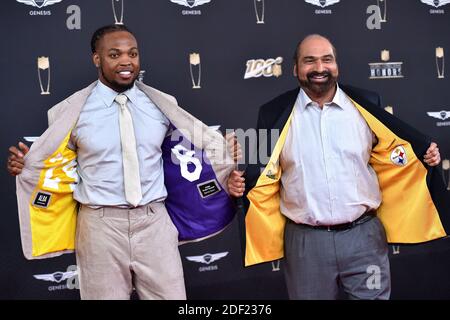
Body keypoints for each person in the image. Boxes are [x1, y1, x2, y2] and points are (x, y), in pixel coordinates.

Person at [7, 24, 237, 300]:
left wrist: (222, 160)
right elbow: (53, 162)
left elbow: (183, 155)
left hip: (154, 222)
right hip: (100, 227)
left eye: (133, 54)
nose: (126, 61)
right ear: (97, 59)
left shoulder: (162, 104)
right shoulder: (68, 113)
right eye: (114, 55)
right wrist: (26, 166)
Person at [228, 34, 449, 300]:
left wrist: (424, 155)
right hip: (306, 245)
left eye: (327, 60)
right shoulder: (272, 113)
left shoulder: (368, 104)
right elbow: (258, 175)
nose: (319, 68)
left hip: (365, 238)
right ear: (295, 69)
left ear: (337, 66)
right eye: (309, 61)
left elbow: (394, 153)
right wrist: (235, 183)